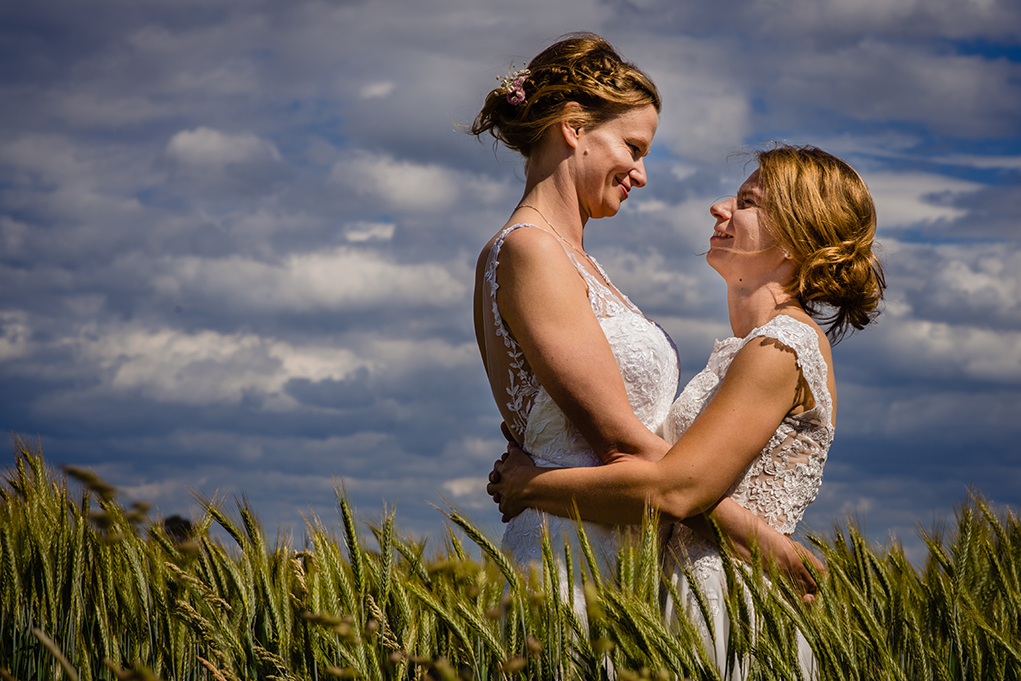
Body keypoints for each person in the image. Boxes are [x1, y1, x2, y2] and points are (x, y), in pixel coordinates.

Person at [487, 144, 886, 676]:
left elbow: (676, 490)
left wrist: (529, 485)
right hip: (689, 590)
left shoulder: (781, 348)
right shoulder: (751, 349)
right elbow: (681, 473)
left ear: (794, 240)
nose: (720, 207)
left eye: (747, 201)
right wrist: (768, 542)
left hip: (730, 602)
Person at [470, 33, 816, 608]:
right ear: (574, 127)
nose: (640, 173)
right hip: (571, 564)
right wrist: (757, 539)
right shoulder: (530, 250)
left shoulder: (578, 262)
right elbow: (618, 440)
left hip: (625, 565)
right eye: (633, 147)